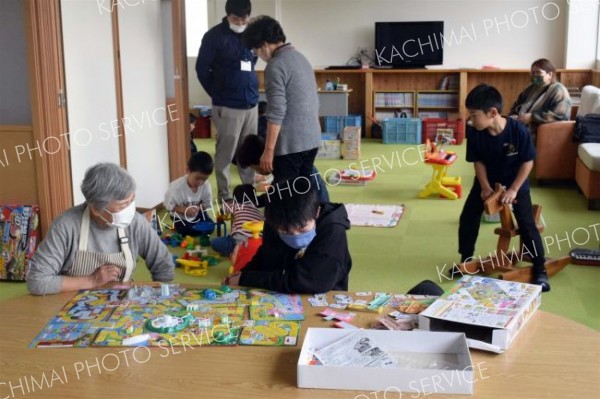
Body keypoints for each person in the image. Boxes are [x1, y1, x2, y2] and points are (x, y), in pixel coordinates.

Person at [26, 163, 174, 295]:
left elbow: (164, 265)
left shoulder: (136, 223)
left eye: (132, 200)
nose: (130, 209)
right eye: (123, 204)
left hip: (123, 305)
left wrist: (161, 300)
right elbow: (37, 281)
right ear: (96, 209)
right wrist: (92, 281)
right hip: (70, 308)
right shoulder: (66, 225)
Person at [459, 84, 550, 292]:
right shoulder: (475, 132)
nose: (470, 120)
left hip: (516, 181)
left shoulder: (518, 131)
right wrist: (484, 187)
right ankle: (466, 258)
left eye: (473, 115)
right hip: (487, 181)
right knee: (468, 217)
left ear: (492, 113)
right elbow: (478, 161)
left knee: (527, 224)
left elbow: (528, 162)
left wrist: (514, 190)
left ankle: (540, 268)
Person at [223, 178, 350, 294]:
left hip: (322, 297)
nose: (295, 235)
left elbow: (313, 281)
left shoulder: (333, 231)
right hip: (279, 291)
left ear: (317, 212)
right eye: (284, 230)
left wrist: (248, 279)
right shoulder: (276, 219)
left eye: (302, 228)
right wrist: (244, 274)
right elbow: (266, 255)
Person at [241, 16, 321, 184]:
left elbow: (276, 111)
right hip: (312, 139)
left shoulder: (275, 65)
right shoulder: (301, 58)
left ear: (263, 44)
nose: (257, 55)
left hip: (291, 144)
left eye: (256, 50)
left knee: (285, 199)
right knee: (303, 193)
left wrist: (269, 150)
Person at [195, 0, 258, 202]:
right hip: (228, 104)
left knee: (249, 150)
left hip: (251, 102)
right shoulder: (214, 36)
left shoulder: (251, 33)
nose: (239, 22)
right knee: (225, 152)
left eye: (243, 19)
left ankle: (248, 192)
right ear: (227, 16)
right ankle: (225, 196)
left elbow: (252, 59)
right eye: (235, 19)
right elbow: (202, 69)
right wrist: (218, 93)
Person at [237, 134, 330, 204]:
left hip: (315, 204)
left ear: (260, 160)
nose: (258, 172)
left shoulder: (283, 166)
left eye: (255, 168)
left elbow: (276, 193)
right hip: (313, 194)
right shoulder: (278, 157)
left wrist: (254, 202)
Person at [509, 58, 572, 139]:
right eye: (532, 73)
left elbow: (561, 115)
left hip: (542, 133)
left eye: (538, 72)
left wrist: (533, 117)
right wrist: (514, 116)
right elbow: (517, 105)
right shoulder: (530, 88)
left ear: (550, 74)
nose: (534, 76)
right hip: (520, 127)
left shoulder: (559, 90)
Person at [164, 151, 215, 236]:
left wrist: (197, 208)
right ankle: (186, 228)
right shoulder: (177, 187)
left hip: (197, 214)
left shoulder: (206, 186)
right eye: (197, 178)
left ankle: (195, 228)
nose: (200, 182)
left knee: (210, 226)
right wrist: (184, 210)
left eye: (204, 179)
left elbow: (206, 204)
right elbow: (168, 205)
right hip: (180, 216)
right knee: (187, 231)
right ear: (188, 170)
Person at [211, 184, 264, 257]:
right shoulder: (259, 212)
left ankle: (234, 252)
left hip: (237, 242)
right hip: (258, 244)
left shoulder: (235, 206)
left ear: (235, 200)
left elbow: (222, 209)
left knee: (215, 242)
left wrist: (228, 204)